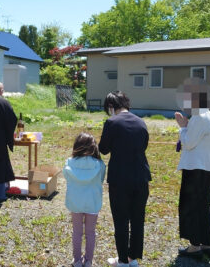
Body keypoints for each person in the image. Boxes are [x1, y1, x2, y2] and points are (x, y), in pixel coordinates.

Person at [99, 91, 150, 267]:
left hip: (120, 178)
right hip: (141, 176)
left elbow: (103, 149)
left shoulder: (112, 122)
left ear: (111, 107)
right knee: (137, 220)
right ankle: (132, 259)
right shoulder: (141, 122)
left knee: (121, 220)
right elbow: (144, 145)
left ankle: (121, 260)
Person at [174, 78, 210, 260]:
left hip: (196, 168)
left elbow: (188, 143)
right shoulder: (208, 115)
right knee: (202, 206)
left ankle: (195, 246)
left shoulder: (199, 116)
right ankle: (207, 244)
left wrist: (182, 127)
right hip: (207, 168)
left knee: (191, 206)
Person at [63, 133, 106, 267]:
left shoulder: (69, 162)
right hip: (93, 202)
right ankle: (88, 260)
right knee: (90, 232)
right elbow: (101, 179)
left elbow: (66, 177)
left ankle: (76, 260)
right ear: (94, 147)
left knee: (77, 232)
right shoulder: (99, 164)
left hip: (75, 202)